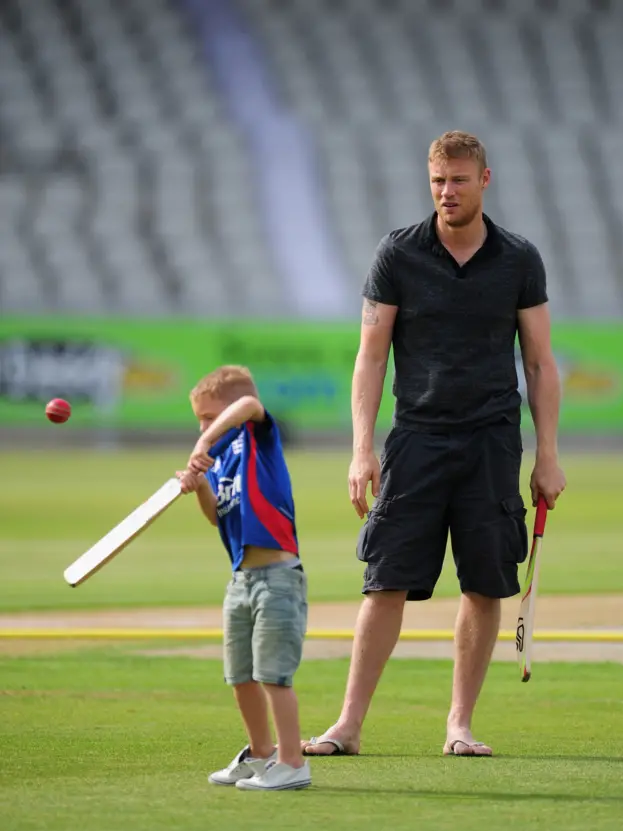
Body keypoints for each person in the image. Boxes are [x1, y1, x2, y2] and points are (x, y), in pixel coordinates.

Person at [302, 130, 566, 759]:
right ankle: (347, 726)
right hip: (416, 437)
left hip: (493, 442)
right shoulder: (398, 254)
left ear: (484, 180)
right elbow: (370, 359)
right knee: (384, 581)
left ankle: (459, 726)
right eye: (437, 181)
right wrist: (362, 448)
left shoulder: (519, 259)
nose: (446, 192)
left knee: (482, 586)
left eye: (458, 180)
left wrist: (548, 453)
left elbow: (539, 362)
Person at [178, 365, 311, 790]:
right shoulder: (219, 460)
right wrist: (199, 483)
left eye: (208, 417)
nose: (204, 426)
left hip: (277, 578)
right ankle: (259, 754)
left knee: (273, 675)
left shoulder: (256, 435)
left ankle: (293, 763)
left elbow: (250, 405)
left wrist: (203, 439)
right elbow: (218, 516)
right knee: (241, 677)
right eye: (199, 420)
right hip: (240, 580)